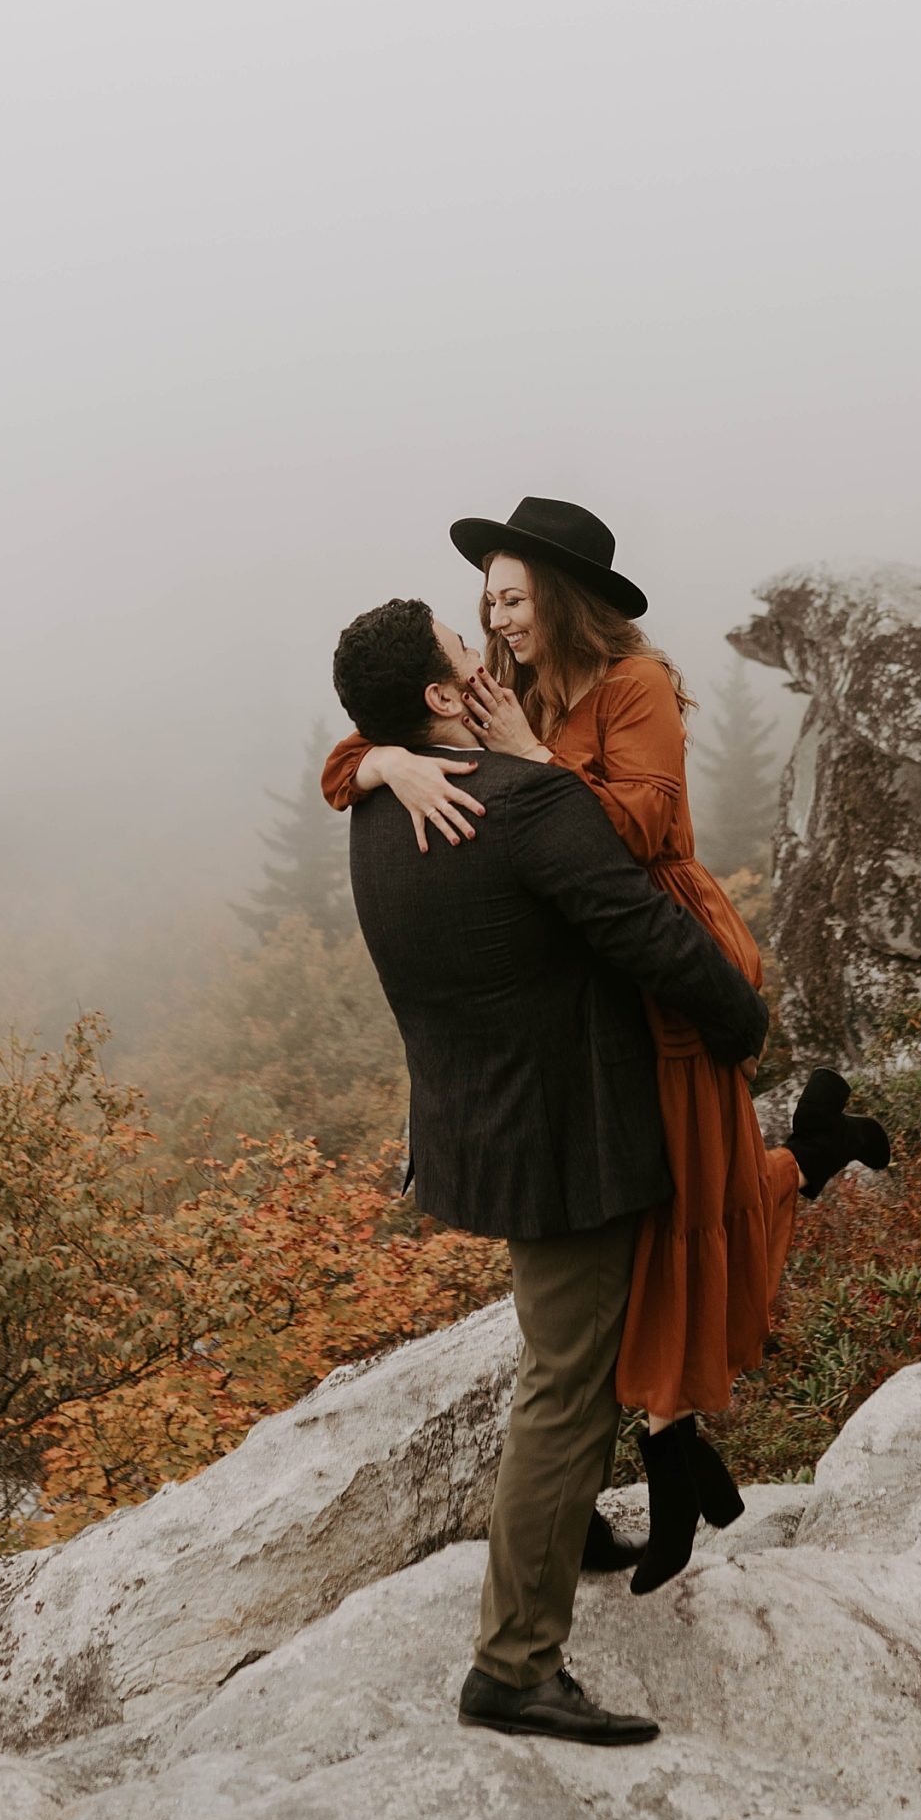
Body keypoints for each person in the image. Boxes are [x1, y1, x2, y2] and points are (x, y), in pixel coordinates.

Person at [323, 498, 889, 1593]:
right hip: (592, 979)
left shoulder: (632, 687)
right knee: (662, 1213)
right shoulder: (503, 686)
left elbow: (636, 826)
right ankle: (677, 1438)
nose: (493, 615)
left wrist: (533, 760)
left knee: (689, 1210)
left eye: (510, 595)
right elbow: (363, 737)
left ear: (561, 598)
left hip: (661, 955)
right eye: (484, 601)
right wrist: (386, 768)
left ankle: (676, 1437)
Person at [330, 592, 770, 1747]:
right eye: (462, 650)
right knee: (565, 1384)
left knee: (556, 1345)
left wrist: (379, 760)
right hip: (568, 1136)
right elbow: (640, 927)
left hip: (480, 1127)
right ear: (438, 696)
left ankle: (567, 1530)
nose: (483, 654)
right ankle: (514, 1662)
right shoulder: (523, 806)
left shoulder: (380, 814)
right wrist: (739, 1018)